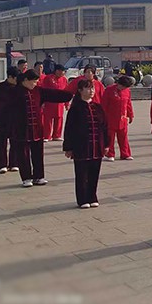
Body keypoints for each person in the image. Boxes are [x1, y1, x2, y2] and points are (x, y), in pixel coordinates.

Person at [8, 70, 74, 187]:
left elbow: (54, 95)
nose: (35, 84)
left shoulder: (38, 91)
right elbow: (5, 109)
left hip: (37, 128)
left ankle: (39, 176)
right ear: (25, 80)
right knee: (23, 155)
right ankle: (26, 178)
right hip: (21, 128)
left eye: (36, 81)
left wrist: (70, 94)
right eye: (33, 81)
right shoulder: (14, 92)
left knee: (38, 154)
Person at [64, 79, 110, 209]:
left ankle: (92, 197)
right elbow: (69, 129)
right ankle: (82, 199)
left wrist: (106, 144)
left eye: (92, 88)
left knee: (94, 174)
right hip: (81, 147)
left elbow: (105, 127)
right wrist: (68, 148)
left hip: (97, 146)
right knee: (81, 174)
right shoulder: (75, 109)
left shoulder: (98, 107)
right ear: (80, 90)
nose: (91, 91)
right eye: (88, 88)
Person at [0, 67, 21, 173]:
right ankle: (1, 165)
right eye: (16, 78)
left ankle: (14, 163)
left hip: (16, 118)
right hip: (1, 118)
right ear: (10, 77)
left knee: (16, 141)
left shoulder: (20, 87)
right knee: (0, 143)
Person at [102, 76, 135, 162]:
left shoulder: (127, 91)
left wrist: (131, 115)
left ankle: (125, 154)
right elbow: (104, 104)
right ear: (119, 84)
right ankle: (110, 154)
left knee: (123, 137)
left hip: (122, 118)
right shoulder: (109, 90)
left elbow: (128, 104)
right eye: (123, 86)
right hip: (110, 118)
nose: (124, 88)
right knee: (110, 138)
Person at [41, 65, 69, 142]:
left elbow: (66, 92)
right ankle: (46, 136)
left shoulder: (64, 79)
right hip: (49, 102)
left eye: (63, 71)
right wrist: (42, 101)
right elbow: (43, 90)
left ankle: (56, 135)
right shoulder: (48, 78)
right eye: (59, 71)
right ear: (56, 71)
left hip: (60, 103)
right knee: (48, 120)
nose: (61, 73)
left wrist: (67, 104)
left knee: (59, 119)